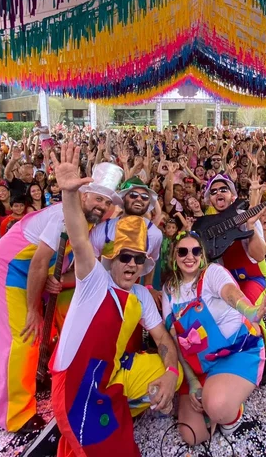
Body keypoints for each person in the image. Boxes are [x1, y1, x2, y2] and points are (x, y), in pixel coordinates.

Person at [50, 143, 182, 457]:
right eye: (125, 257)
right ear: (112, 259)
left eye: (139, 259)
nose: (132, 264)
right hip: (78, 382)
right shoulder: (94, 281)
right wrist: (69, 194)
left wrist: (171, 374)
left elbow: (162, 338)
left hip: (113, 371)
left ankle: (129, 404)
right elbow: (80, 240)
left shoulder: (140, 294)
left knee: (168, 373)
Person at [0, 163, 120, 433]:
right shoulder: (62, 216)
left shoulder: (97, 225)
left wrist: (60, 281)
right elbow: (37, 263)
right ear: (83, 196)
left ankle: (42, 375)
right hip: (12, 269)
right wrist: (34, 309)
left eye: (107, 202)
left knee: (59, 325)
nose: (101, 205)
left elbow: (87, 268)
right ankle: (16, 415)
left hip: (44, 275)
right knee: (23, 337)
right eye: (98, 198)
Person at [162, 231, 266, 445]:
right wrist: (191, 382)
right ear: (174, 256)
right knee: (193, 436)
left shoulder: (212, 273)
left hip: (235, 352)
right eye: (182, 251)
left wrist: (248, 311)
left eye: (195, 251)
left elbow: (229, 292)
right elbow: (175, 339)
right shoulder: (169, 290)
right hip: (198, 363)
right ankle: (215, 395)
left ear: (202, 255)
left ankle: (230, 414)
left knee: (217, 407)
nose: (189, 256)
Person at [202, 174, 266, 383]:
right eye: (213, 191)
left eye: (223, 189)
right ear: (210, 200)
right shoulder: (209, 223)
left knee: (247, 311)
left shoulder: (246, 216)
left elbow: (259, 255)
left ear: (232, 195)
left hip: (253, 278)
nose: (218, 194)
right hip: (227, 282)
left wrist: (250, 227)